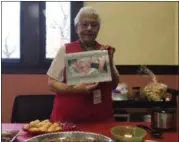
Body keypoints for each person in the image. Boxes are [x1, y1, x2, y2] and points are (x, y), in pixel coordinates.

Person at [47, 6, 120, 123]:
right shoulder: (65, 49)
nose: (89, 28)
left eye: (94, 25)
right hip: (68, 120)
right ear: (77, 28)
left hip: (100, 119)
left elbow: (114, 85)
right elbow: (51, 84)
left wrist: (110, 62)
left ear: (99, 28)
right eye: (84, 24)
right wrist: (74, 89)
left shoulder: (104, 51)